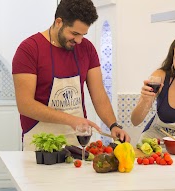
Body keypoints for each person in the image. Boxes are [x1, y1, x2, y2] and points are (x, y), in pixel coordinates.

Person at [12, 0, 130, 151]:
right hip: (40, 142)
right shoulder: (29, 49)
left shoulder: (87, 49)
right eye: (74, 33)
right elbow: (25, 105)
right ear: (59, 22)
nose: (79, 40)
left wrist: (113, 125)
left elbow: (99, 95)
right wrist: (71, 120)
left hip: (76, 141)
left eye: (83, 34)